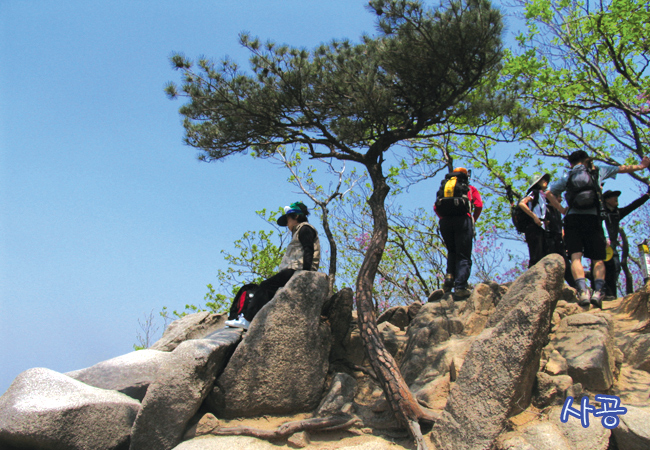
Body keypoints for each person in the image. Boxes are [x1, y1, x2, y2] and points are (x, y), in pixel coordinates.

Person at [546, 150, 650, 308]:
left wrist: (562, 210)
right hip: (593, 218)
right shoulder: (597, 171)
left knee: (575, 257)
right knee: (598, 259)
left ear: (571, 163)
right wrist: (641, 166)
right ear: (586, 160)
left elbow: (549, 193)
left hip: (573, 218)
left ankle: (582, 291)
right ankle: (598, 291)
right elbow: (622, 168)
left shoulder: (567, 177)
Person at [225, 201, 320, 329]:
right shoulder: (299, 230)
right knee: (268, 290)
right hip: (294, 269)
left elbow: (308, 250)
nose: (287, 224)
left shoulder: (305, 229)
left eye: (287, 219)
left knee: (265, 286)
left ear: (296, 216)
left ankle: (248, 319)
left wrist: (306, 274)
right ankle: (254, 319)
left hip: (297, 269)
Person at [434, 167, 483, 299]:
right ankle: (460, 286)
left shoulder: (444, 188)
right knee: (463, 254)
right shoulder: (469, 188)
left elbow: (435, 207)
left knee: (452, 251)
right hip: (463, 220)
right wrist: (473, 219)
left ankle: (449, 281)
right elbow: (478, 205)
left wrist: (444, 218)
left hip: (445, 223)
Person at [602, 188, 650, 299]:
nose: (616, 198)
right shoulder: (601, 213)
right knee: (603, 269)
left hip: (612, 246)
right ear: (606, 200)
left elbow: (633, 205)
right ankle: (604, 294)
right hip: (601, 245)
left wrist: (647, 195)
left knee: (616, 268)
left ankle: (611, 295)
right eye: (613, 195)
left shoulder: (617, 213)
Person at [518, 173, 551, 267]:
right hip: (533, 227)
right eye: (542, 180)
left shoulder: (542, 196)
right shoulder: (534, 193)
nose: (545, 182)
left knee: (543, 254)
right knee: (536, 255)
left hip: (541, 227)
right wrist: (534, 217)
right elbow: (522, 203)